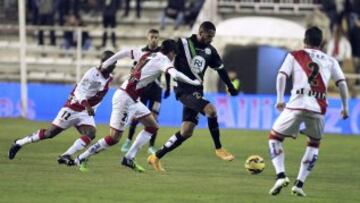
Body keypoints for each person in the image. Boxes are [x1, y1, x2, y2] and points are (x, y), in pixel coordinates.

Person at [73, 39, 201, 172]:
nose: (173, 58)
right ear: (171, 52)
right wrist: (194, 82)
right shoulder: (163, 60)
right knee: (113, 138)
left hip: (133, 98)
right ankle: (82, 157)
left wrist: (107, 62)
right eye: (174, 55)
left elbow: (124, 52)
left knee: (152, 126)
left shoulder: (147, 54)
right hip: (125, 99)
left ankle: (129, 157)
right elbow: (175, 74)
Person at [267, 26, 349, 197]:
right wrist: (345, 107)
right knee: (314, 143)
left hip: (296, 104)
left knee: (275, 138)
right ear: (322, 43)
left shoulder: (295, 55)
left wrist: (280, 99)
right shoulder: (330, 60)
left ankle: (281, 175)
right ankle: (299, 184)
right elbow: (342, 83)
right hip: (318, 109)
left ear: (305, 40)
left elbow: (281, 75)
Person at [147, 21, 239, 172]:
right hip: (183, 90)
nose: (211, 39)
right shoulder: (183, 44)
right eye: (209, 36)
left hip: (197, 91)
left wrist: (230, 86)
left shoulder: (210, 51)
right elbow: (166, 56)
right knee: (211, 110)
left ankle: (155, 157)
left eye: (213, 37)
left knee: (186, 131)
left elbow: (221, 70)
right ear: (200, 33)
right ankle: (219, 148)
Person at [8, 51, 117, 164]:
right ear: (105, 62)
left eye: (115, 63)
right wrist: (87, 105)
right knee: (50, 134)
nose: (114, 65)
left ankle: (66, 155)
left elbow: (81, 87)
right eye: (113, 63)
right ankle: (19, 143)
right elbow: (79, 91)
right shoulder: (92, 73)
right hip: (73, 108)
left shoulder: (109, 78)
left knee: (91, 133)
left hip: (85, 112)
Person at [120, 29, 171, 154]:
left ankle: (151, 146)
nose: (154, 39)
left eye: (156, 37)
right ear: (147, 37)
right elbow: (134, 69)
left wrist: (169, 87)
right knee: (136, 116)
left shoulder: (162, 53)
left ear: (158, 39)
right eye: (152, 37)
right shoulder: (141, 52)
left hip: (156, 90)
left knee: (154, 118)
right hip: (142, 90)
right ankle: (128, 140)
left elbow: (167, 70)